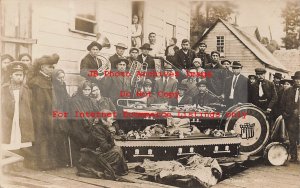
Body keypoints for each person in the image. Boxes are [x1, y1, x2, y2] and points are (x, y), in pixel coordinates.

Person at [28, 53, 59, 170]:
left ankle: (49, 163)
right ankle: (42, 163)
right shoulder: (38, 82)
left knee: (49, 137)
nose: (52, 69)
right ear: (42, 68)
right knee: (42, 138)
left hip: (48, 115)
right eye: (50, 67)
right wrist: (43, 118)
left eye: (53, 67)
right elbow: (39, 104)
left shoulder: (47, 79)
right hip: (40, 116)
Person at [1, 61, 34, 167]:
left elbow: (30, 104)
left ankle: (17, 163)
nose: (19, 77)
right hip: (8, 118)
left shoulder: (26, 89)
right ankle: (7, 163)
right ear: (11, 75)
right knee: (8, 139)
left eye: (21, 75)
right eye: (16, 75)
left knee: (20, 138)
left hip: (21, 118)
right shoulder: (4, 88)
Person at [77, 110, 128, 178]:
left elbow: (107, 145)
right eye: (111, 119)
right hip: (93, 156)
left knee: (117, 148)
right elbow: (105, 147)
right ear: (103, 120)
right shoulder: (97, 129)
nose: (113, 121)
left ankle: (117, 170)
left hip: (99, 153)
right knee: (116, 151)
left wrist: (112, 139)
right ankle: (108, 171)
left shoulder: (103, 128)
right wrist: (112, 141)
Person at [69, 80, 98, 165]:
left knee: (97, 134)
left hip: (89, 124)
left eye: (89, 90)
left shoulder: (91, 100)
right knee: (85, 137)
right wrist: (90, 124)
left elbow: (96, 112)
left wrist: (96, 119)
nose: (87, 92)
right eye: (85, 90)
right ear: (81, 89)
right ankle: (84, 160)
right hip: (79, 124)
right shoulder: (75, 100)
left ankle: (91, 159)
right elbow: (80, 114)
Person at [280, 71, 300, 163]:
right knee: (292, 138)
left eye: (299, 80)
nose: (298, 81)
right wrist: (285, 114)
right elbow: (282, 104)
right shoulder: (288, 91)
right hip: (290, 119)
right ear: (294, 80)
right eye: (296, 79)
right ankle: (293, 156)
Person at [52, 69, 71, 167]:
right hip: (56, 115)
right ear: (55, 78)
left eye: (63, 77)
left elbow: (66, 98)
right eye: (60, 78)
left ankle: (64, 160)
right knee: (57, 137)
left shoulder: (63, 85)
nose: (62, 79)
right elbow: (53, 103)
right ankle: (58, 161)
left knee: (63, 136)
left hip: (63, 113)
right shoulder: (52, 87)